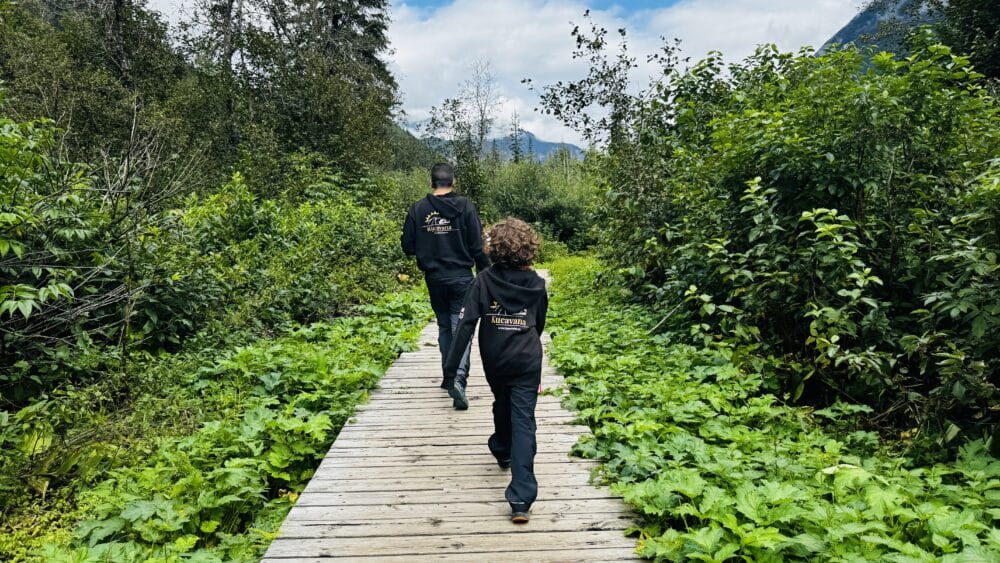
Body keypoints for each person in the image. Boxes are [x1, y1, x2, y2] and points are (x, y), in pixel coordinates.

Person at [443, 218, 548, 524]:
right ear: (529, 248)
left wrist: (452, 372)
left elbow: (464, 325)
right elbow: (539, 322)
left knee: (511, 410)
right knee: (520, 417)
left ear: (493, 249)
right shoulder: (537, 284)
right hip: (527, 358)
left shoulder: (483, 281)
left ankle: (518, 490)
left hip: (496, 359)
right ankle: (509, 466)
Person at [401, 162, 490, 391]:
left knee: (443, 326)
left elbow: (408, 246)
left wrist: (428, 245)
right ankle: (458, 378)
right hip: (461, 276)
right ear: (453, 182)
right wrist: (486, 273)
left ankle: (448, 377)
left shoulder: (418, 209)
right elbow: (477, 245)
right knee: (460, 326)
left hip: (434, 278)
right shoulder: (466, 207)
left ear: (431, 182)